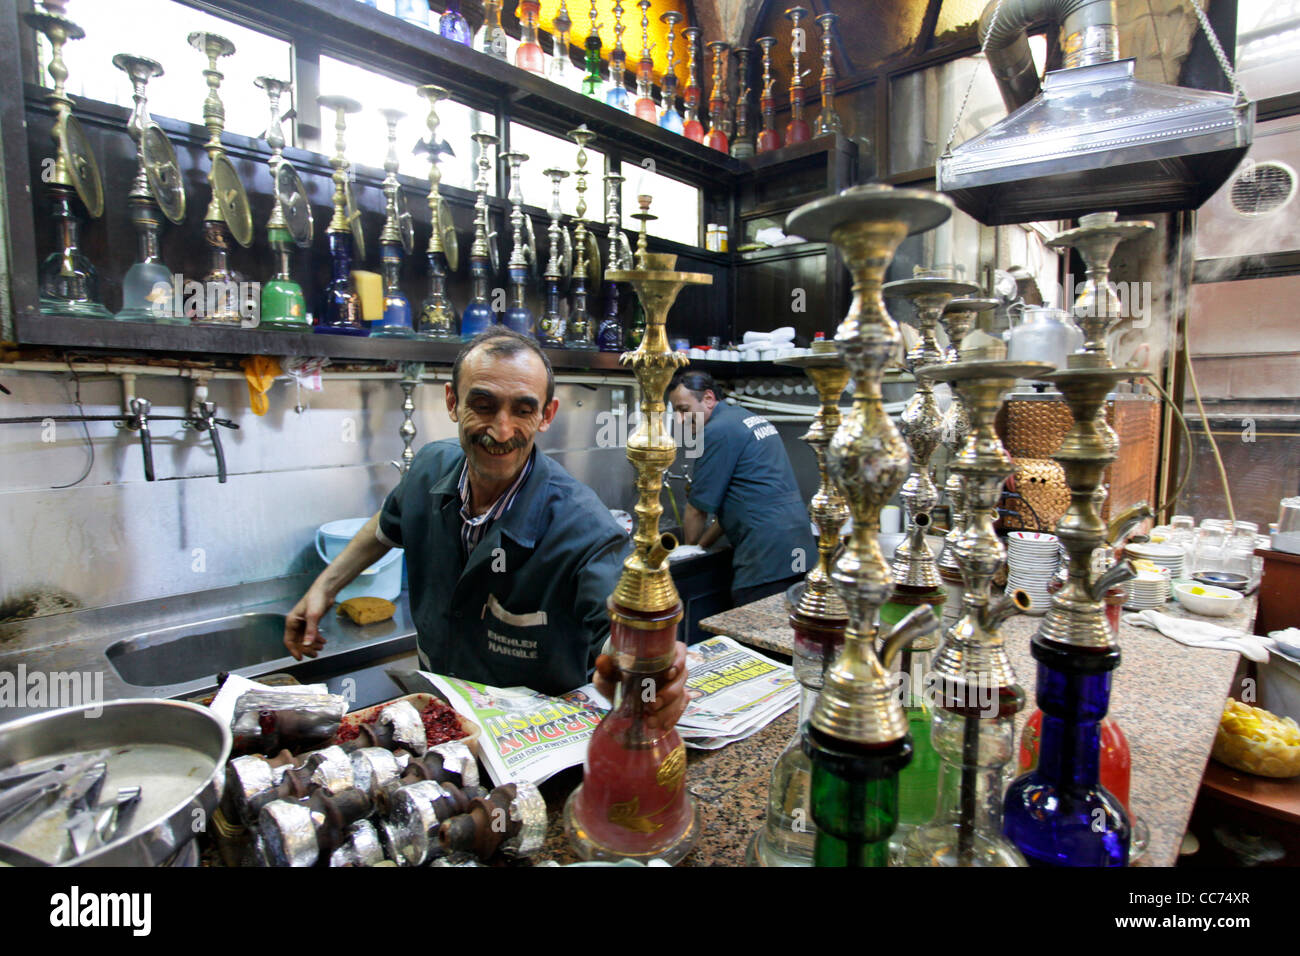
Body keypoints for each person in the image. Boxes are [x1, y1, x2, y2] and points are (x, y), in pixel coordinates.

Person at [284, 327, 688, 728]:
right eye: (483, 404)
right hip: (444, 719)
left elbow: (624, 632)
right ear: (452, 402)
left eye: (523, 410)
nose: (502, 430)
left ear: (547, 415)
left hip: (526, 741)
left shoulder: (585, 530)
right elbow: (387, 525)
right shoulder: (429, 469)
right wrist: (325, 587)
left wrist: (649, 674)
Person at [667, 370, 816, 608]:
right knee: (786, 632)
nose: (680, 419)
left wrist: (687, 553)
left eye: (684, 409)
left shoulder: (716, 431)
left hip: (765, 555)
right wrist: (701, 546)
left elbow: (697, 510)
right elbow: (732, 504)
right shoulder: (745, 418)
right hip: (798, 548)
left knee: (753, 628)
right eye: (674, 411)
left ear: (707, 398)